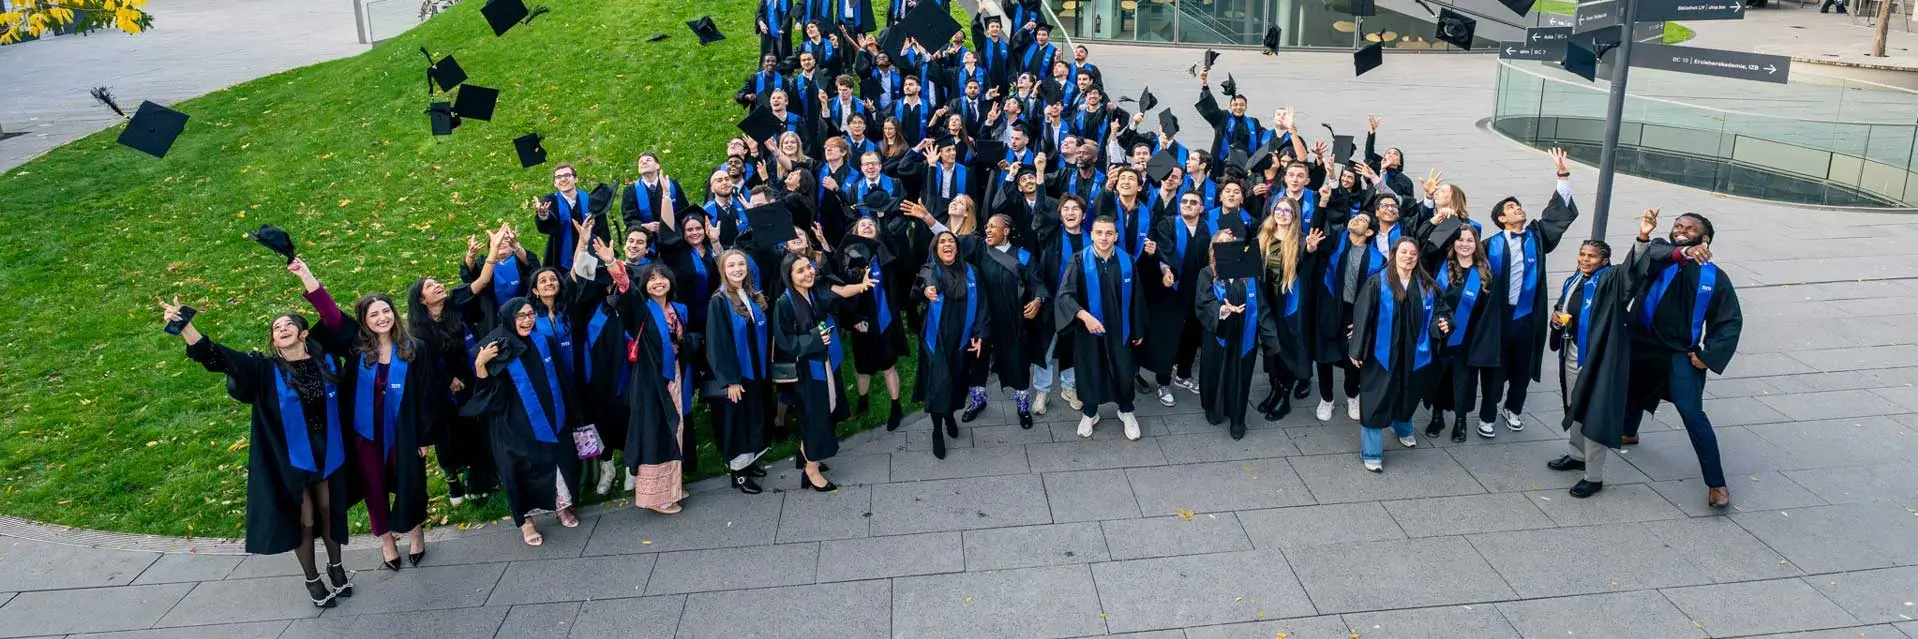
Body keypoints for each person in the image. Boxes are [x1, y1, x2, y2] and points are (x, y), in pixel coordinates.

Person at [164, 301, 356, 607]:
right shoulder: (264, 370)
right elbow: (219, 358)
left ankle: (336, 566)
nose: (281, 329)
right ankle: (312, 579)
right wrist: (185, 326)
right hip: (289, 456)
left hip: (328, 449)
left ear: (303, 333)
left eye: (288, 324)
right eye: (276, 327)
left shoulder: (328, 363)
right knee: (304, 520)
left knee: (329, 512)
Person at [289, 259, 433, 572]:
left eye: (386, 311)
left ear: (394, 314)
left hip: (404, 431)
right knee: (374, 486)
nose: (382, 318)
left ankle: (416, 531)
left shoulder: (414, 348)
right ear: (364, 321)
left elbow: (427, 395)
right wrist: (306, 275)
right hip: (365, 433)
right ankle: (386, 541)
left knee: (411, 482)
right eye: (374, 314)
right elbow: (330, 315)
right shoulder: (356, 347)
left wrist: (425, 437)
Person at [1621, 210, 1742, 508]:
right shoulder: (1663, 254)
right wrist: (1683, 250)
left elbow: (1729, 321)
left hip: (1679, 352)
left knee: (1692, 414)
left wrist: (1706, 354)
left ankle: (1716, 483)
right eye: (1678, 226)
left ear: (1706, 239)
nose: (1681, 230)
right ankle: (1627, 431)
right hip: (1641, 341)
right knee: (1630, 388)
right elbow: (1654, 250)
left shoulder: (1714, 278)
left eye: (1690, 229)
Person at [464, 297, 583, 547]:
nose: (527, 320)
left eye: (530, 314)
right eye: (520, 316)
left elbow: (561, 378)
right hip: (513, 424)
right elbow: (487, 395)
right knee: (518, 469)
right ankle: (526, 521)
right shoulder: (495, 348)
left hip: (552, 417)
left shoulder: (544, 341)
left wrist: (572, 412)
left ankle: (561, 506)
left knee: (558, 461)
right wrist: (480, 364)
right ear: (508, 318)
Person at [1482, 148, 1579, 436]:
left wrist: (1562, 174)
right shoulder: (1488, 245)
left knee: (1522, 369)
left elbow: (1557, 215)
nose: (1518, 209)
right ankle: (1487, 413)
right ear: (1501, 218)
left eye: (1519, 205)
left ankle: (1513, 409)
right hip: (1498, 318)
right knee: (1495, 369)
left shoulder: (1536, 237)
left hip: (1527, 316)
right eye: (1511, 207)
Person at [1545, 236, 1640, 499]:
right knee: (1574, 405)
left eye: (1592, 256)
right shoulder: (1575, 278)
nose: (1585, 259)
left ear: (1605, 261)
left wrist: (1641, 238)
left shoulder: (1610, 281)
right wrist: (1556, 318)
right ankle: (1577, 455)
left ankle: (1593, 477)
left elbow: (1631, 272)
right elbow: (1563, 305)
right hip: (1571, 352)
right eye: (1582, 254)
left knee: (1593, 414)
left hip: (1597, 359)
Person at [773, 253, 876, 491]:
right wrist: (814, 339)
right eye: (800, 271)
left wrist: (862, 286)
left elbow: (839, 292)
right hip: (806, 370)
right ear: (789, 277)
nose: (808, 272)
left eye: (808, 267)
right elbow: (784, 341)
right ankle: (811, 470)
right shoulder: (785, 303)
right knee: (815, 415)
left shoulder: (813, 292)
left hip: (823, 363)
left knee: (826, 408)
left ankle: (804, 454)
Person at [1348, 237, 1452, 472]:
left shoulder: (1426, 285)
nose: (1408, 257)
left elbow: (1441, 312)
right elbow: (1362, 317)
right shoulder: (1377, 283)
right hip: (1380, 353)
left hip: (1415, 352)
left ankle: (1402, 427)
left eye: (1413, 253)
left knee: (1409, 392)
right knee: (1375, 399)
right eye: (1404, 252)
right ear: (1394, 255)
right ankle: (1372, 451)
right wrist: (1357, 348)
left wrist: (1442, 323)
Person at [1055, 216, 1148, 439]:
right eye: (1099, 233)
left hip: (1120, 328)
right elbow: (1065, 294)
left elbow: (1137, 298)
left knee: (1124, 370)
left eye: (1109, 233)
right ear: (1092, 234)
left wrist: (1138, 330)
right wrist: (1084, 316)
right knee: (1089, 370)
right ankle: (1090, 413)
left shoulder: (1128, 262)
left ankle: (1126, 411)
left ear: (1116, 236)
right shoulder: (1079, 260)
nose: (1104, 238)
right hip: (1089, 329)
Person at [611, 262, 692, 514]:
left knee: (675, 427)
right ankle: (656, 497)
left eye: (663, 277)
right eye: (652, 279)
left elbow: (680, 340)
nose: (658, 282)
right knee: (656, 432)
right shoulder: (641, 311)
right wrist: (615, 268)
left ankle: (673, 488)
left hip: (674, 375)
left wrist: (678, 345)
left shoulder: (677, 310)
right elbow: (627, 295)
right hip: (650, 382)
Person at [1423, 220, 1500, 442]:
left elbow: (1490, 313)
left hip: (1469, 339)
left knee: (1463, 382)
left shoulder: (1486, 275)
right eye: (1460, 239)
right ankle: (1437, 416)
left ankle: (1460, 420)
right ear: (1453, 243)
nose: (1465, 244)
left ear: (1476, 244)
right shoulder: (1441, 267)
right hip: (1439, 336)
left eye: (1469, 240)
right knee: (1438, 378)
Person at [916, 231, 989, 458]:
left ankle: (949, 416)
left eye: (951, 242)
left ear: (957, 248)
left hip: (961, 338)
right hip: (936, 339)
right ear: (935, 249)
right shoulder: (930, 269)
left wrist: (979, 333)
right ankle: (937, 431)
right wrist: (926, 289)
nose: (947, 244)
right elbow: (925, 282)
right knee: (938, 384)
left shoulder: (971, 272)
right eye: (942, 242)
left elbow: (982, 305)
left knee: (956, 382)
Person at [707, 250, 775, 493]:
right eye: (731, 265)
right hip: (739, 374)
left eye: (741, 264)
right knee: (740, 423)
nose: (737, 269)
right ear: (723, 270)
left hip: (757, 369)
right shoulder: (719, 301)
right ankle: (740, 474)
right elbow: (718, 343)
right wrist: (731, 381)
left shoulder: (749, 294)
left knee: (756, 417)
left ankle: (751, 461)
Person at [1196, 235, 1275, 439]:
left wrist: (1270, 339)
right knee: (1214, 373)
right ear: (1214, 248)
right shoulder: (1207, 273)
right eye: (1221, 242)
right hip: (1217, 335)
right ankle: (1214, 410)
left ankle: (1238, 419)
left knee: (1241, 376)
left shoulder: (1249, 276)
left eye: (1231, 242)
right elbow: (1203, 303)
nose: (1226, 246)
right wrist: (1222, 309)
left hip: (1244, 336)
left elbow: (1262, 307)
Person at [834, 218, 908, 429]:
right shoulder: (849, 259)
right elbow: (843, 296)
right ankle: (863, 401)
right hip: (862, 323)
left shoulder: (886, 256)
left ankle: (896, 405)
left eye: (871, 224)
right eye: (862, 225)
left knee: (888, 365)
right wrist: (853, 321)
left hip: (885, 321)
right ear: (855, 232)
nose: (867, 226)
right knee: (863, 368)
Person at [1254, 197, 1323, 422]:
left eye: (1287, 211)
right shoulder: (1263, 237)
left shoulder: (1301, 241)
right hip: (1268, 300)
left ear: (1294, 216)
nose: (1282, 214)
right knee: (1271, 347)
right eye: (1279, 210)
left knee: (1288, 350)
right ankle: (1274, 390)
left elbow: (1308, 273)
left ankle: (1284, 396)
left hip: (1290, 304)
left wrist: (1311, 250)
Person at [1311, 212, 1382, 421]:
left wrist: (1365, 321)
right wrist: (1323, 203)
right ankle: (1326, 398)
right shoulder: (1336, 241)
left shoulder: (1378, 260)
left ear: (1369, 232)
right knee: (1324, 355)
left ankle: (1352, 394)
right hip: (1330, 305)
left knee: (1354, 358)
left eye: (1362, 220)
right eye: (1356, 216)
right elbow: (1318, 224)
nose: (1356, 219)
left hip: (1355, 312)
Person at [533, 164, 609, 270]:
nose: (563, 179)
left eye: (567, 175)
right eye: (558, 177)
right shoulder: (552, 201)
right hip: (561, 255)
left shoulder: (590, 200)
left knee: (589, 282)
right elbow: (547, 226)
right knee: (565, 283)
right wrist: (543, 214)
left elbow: (603, 230)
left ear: (575, 179)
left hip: (590, 251)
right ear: (555, 183)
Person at [622, 153, 692, 243]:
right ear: (639, 169)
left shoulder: (672, 185)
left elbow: (684, 209)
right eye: (641, 162)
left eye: (648, 160)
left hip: (675, 235)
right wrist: (644, 226)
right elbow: (629, 217)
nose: (644, 163)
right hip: (647, 238)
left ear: (657, 166)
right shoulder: (630, 191)